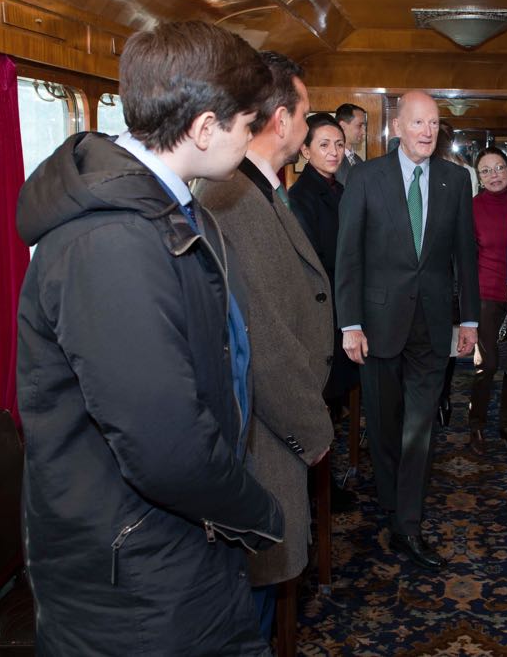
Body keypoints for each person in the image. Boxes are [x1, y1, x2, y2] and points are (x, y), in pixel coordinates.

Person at [15, 21, 283, 654]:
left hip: (175, 544)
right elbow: (164, 443)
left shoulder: (168, 211)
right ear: (206, 127)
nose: (251, 145)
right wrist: (258, 511)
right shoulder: (109, 243)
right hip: (135, 573)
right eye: (249, 127)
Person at [194, 52, 334, 640]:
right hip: (266, 439)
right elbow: (266, 343)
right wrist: (314, 431)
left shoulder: (264, 190)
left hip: (274, 432)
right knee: (248, 617)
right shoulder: (234, 201)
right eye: (303, 116)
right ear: (281, 119)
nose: (305, 129)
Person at [335, 90, 480, 570]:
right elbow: (348, 255)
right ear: (397, 127)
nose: (427, 131)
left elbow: (466, 255)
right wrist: (350, 323)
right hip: (376, 325)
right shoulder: (365, 177)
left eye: (434, 123)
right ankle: (393, 505)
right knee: (383, 426)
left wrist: (471, 320)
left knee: (420, 429)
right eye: (418, 123)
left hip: (434, 326)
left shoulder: (456, 181)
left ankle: (407, 525)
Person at [289, 113, 361, 411]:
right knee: (325, 394)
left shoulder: (343, 190)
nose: (334, 152)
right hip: (325, 305)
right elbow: (314, 261)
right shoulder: (300, 196)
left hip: (347, 298)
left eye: (339, 144)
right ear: (305, 151)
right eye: (324, 145)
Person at [467, 147, 507, 454]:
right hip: (486, 296)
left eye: (500, 167)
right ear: (478, 178)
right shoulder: (472, 208)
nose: (494, 175)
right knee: (487, 364)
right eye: (486, 170)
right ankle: (476, 425)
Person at [335, 102, 367, 185]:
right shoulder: (332, 159)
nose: (364, 132)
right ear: (342, 126)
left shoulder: (358, 160)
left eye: (364, 127)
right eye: (359, 126)